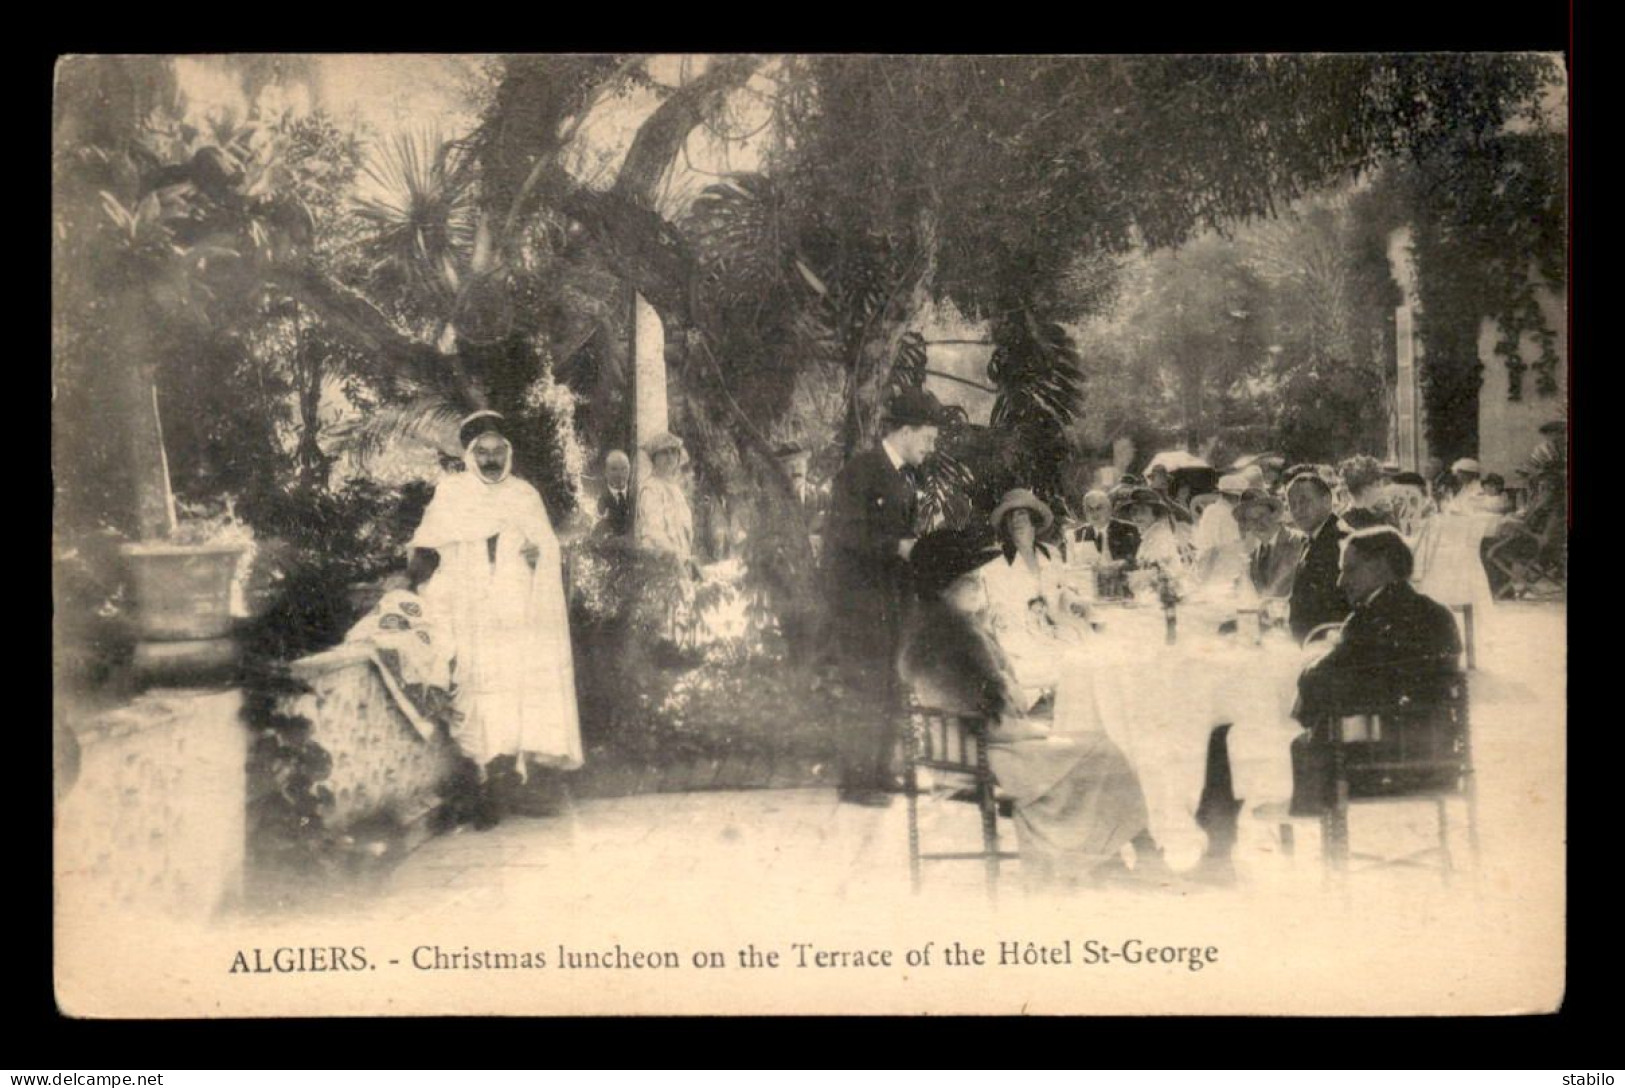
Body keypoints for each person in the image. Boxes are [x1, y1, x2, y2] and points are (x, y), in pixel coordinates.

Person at [899, 531, 1167, 889]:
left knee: (1095, 749)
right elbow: (989, 714)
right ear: (943, 587)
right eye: (969, 580)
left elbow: (998, 702)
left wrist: (1025, 709)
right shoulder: (949, 641)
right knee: (1103, 752)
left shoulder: (948, 629)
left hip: (980, 743)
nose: (979, 585)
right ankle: (1119, 858)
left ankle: (1110, 858)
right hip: (981, 756)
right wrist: (1036, 729)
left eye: (978, 577)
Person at [407, 411, 583, 828]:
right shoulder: (452, 493)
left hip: (517, 611)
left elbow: (546, 545)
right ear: (469, 454)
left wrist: (539, 555)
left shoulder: (524, 495)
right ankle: (487, 786)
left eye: (497, 451)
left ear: (508, 453)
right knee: (475, 691)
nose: (489, 459)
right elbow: (425, 551)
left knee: (517, 691)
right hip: (468, 611)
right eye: (481, 452)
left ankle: (518, 785)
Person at [824, 387, 950, 806]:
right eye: (928, 438)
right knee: (864, 687)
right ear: (908, 430)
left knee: (889, 685)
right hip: (860, 604)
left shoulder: (900, 477)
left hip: (891, 602)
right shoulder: (860, 472)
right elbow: (844, 537)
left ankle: (880, 772)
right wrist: (896, 547)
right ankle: (856, 782)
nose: (931, 448)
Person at [1288, 528, 1463, 815]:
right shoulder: (1437, 613)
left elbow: (1318, 682)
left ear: (1381, 566)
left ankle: (1304, 841)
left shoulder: (1371, 617)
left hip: (1385, 767)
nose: (1341, 581)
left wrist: (1308, 680)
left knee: (1292, 743)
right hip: (1439, 761)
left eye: (1350, 570)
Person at [976, 489, 1093, 710]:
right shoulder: (994, 563)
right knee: (1049, 656)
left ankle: (1067, 700)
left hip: (1051, 624)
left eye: (1021, 514)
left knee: (1084, 640)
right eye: (1010, 517)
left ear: (1033, 519)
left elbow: (1062, 590)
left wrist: (1074, 602)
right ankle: (1044, 698)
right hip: (1017, 629)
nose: (1016, 521)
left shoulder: (1050, 554)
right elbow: (990, 607)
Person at [1285, 472, 1350, 644]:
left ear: (1327, 500)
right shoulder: (1313, 537)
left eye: (1305, 501)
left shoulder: (1341, 540)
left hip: (1328, 644)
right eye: (1292, 505)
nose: (1298, 510)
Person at [1063, 488, 1140, 592]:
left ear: (1109, 509)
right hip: (1089, 588)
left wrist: (1123, 563)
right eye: (1089, 509)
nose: (1094, 513)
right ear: (1085, 512)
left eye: (1099, 508)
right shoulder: (1076, 535)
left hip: (1121, 588)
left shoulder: (1128, 530)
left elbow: (1138, 561)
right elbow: (1070, 568)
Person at [636, 432, 695, 562]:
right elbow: (654, 532)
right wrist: (677, 557)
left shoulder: (676, 489)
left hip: (681, 560)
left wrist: (686, 557)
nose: (670, 457)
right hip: (661, 562)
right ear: (654, 458)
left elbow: (683, 532)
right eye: (664, 453)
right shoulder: (651, 488)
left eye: (673, 452)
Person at [1236, 489, 1303, 602]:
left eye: (1262, 515)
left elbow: (1279, 589)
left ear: (1275, 515)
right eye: (1251, 519)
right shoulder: (1254, 556)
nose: (1259, 522)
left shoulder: (1296, 542)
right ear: (1247, 525)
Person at [1191, 473, 1249, 589]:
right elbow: (1211, 549)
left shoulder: (1229, 512)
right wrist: (1204, 578)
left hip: (1231, 567)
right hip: (1219, 569)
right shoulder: (1217, 513)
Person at [1337, 454, 1396, 530]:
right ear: (1365, 490)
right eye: (1378, 486)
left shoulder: (1384, 515)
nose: (1383, 491)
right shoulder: (1346, 525)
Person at [594, 449, 634, 538]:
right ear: (605, 472)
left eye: (624, 469)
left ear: (629, 470)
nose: (620, 475)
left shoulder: (635, 494)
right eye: (614, 469)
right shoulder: (599, 498)